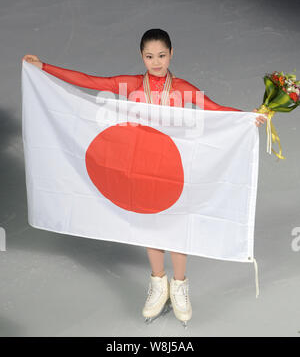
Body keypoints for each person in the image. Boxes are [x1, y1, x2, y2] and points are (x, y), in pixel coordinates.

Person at [22, 28, 267, 327]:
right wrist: (44, 67)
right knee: (149, 224)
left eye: (161, 55)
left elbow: (216, 111)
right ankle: (158, 282)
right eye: (149, 56)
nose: (156, 62)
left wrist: (249, 117)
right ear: (142, 56)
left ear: (171, 54)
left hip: (176, 170)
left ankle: (180, 285)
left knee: (177, 224)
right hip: (141, 168)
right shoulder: (129, 85)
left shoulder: (184, 89)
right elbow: (88, 81)